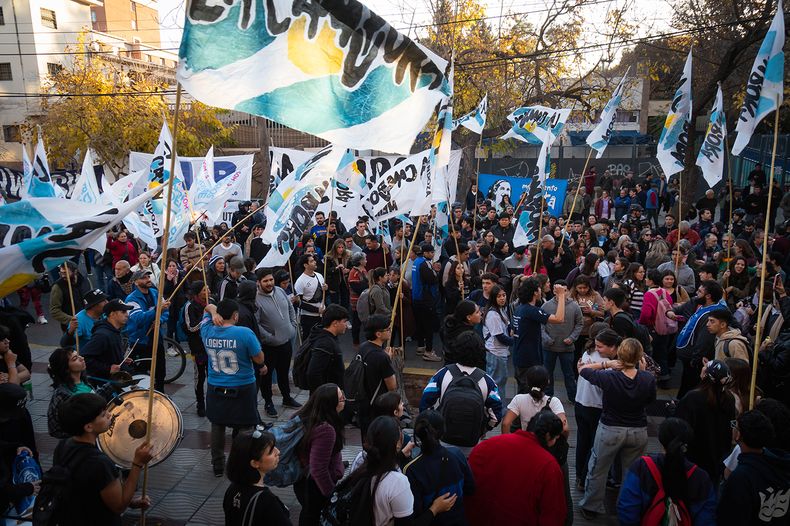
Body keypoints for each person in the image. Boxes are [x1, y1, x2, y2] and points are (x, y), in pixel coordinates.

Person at [578, 338, 657, 519]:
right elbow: (650, 401)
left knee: (598, 468)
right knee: (632, 471)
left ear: (620, 355)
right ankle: (628, 508)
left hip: (610, 429)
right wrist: (643, 373)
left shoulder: (609, 376)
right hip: (638, 431)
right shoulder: (647, 379)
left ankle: (591, 507)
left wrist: (605, 364)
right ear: (640, 357)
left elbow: (583, 370)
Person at [53, 393, 152, 525]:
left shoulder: (63, 445)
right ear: (88, 427)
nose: (109, 415)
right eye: (102, 415)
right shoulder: (99, 463)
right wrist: (137, 464)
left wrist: (131, 502)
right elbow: (118, 506)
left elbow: (87, 492)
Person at [465, 411, 567, 525]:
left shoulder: (485, 446)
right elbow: (553, 515)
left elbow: (467, 487)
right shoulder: (549, 467)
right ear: (548, 435)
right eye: (555, 439)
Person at [201, 299, 265, 477]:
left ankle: (218, 464)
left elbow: (207, 307)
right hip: (242, 385)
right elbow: (259, 359)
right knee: (246, 426)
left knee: (217, 425)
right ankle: (240, 462)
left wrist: (213, 313)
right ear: (236, 316)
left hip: (216, 385)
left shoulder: (206, 330)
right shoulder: (244, 333)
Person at [617, 418, 717, 525]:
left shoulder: (642, 467)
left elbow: (627, 509)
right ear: (687, 443)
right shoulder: (701, 477)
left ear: (660, 439)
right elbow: (706, 519)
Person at [420, 332, 502, 456]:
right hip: (472, 444)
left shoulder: (442, 374)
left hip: (444, 441)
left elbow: (425, 404)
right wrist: (483, 429)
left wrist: (434, 429)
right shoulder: (487, 381)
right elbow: (496, 416)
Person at [717, 410, 790, 525]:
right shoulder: (781, 463)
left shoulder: (741, 478)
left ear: (738, 435)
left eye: (734, 425)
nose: (733, 428)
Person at [403, 410, 476, 524]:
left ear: (417, 433)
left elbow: (413, 517)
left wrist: (434, 509)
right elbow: (470, 489)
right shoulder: (457, 454)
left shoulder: (412, 469)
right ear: (443, 432)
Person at [675, 359, 737, 484]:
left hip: (694, 457)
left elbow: (681, 426)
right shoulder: (729, 398)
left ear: (706, 376)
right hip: (717, 456)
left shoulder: (693, 397)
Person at [293, 384, 346, 526]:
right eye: (341, 399)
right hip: (314, 486)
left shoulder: (306, 417)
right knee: (313, 516)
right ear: (331, 404)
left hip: (303, 481)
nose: (344, 400)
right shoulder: (326, 430)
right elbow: (318, 468)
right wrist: (330, 493)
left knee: (308, 513)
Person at [667, 280, 728, 398]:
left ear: (708, 296)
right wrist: (670, 312)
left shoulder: (711, 315)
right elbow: (680, 309)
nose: (696, 293)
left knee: (690, 386)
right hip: (688, 355)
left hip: (695, 360)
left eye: (700, 291)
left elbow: (704, 341)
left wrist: (695, 359)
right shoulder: (702, 305)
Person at [253, 267, 299, 417]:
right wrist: (270, 337)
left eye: (271, 280)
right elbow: (257, 324)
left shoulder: (280, 291)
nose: (269, 283)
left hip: (286, 342)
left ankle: (287, 397)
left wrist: (293, 325)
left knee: (284, 372)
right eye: (265, 281)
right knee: (266, 376)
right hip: (269, 346)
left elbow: (291, 308)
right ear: (258, 282)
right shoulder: (256, 299)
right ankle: (268, 402)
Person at [223, 428, 291, 526]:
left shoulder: (232, 489)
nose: (278, 452)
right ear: (255, 463)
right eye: (271, 451)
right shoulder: (267, 501)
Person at [512, 279, 568, 393]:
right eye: (539, 288)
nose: (541, 290)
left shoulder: (519, 309)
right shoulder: (531, 310)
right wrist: (562, 295)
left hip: (520, 357)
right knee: (529, 395)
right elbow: (559, 318)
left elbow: (512, 332)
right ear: (535, 292)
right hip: (529, 360)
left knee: (523, 393)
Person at [46, 347, 113, 439]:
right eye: (75, 359)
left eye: (79, 355)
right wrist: (81, 435)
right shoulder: (62, 395)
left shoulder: (83, 382)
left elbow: (93, 402)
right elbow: (54, 429)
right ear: (66, 368)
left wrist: (113, 383)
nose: (82, 358)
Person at [125, 270, 170, 392]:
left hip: (157, 339)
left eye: (148, 276)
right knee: (141, 374)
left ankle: (161, 395)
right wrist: (156, 310)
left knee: (160, 372)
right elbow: (138, 318)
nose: (148, 279)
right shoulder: (131, 299)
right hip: (140, 341)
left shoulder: (156, 293)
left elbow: (166, 311)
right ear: (136, 282)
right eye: (143, 278)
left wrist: (159, 320)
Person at [541, 279, 582, 402]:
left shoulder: (574, 306)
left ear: (567, 291)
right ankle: (548, 397)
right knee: (547, 373)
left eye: (563, 291)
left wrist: (572, 338)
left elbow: (579, 323)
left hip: (567, 347)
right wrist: (546, 338)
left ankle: (573, 397)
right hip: (549, 347)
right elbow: (540, 325)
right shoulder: (546, 305)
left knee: (569, 374)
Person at [356, 315, 398, 436]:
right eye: (387, 329)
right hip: (378, 406)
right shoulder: (381, 356)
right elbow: (392, 386)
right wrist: (388, 360)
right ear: (378, 334)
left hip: (363, 402)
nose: (390, 331)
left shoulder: (363, 347)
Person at [500, 365, 569, 434]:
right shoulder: (554, 402)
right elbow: (565, 429)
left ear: (527, 382)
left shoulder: (518, 399)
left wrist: (507, 441)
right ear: (548, 382)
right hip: (545, 444)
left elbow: (505, 424)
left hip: (527, 442)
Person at [80, 299, 133, 381]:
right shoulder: (102, 335)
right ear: (112, 314)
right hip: (106, 382)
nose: (127, 315)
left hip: (117, 379)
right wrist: (108, 368)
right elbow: (84, 358)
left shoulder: (115, 331)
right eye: (123, 312)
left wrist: (121, 359)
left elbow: (107, 355)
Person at [305, 305, 349, 393]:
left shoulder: (326, 336)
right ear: (335, 323)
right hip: (328, 397)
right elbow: (313, 374)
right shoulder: (325, 344)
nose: (347, 325)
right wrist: (324, 395)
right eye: (344, 322)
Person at [183, 280, 210, 417]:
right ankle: (200, 403)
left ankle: (213, 401)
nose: (208, 292)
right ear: (198, 292)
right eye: (205, 290)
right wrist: (206, 319)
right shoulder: (190, 306)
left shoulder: (212, 302)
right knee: (200, 376)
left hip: (211, 345)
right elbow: (191, 327)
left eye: (208, 289)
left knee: (212, 375)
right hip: (198, 347)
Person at [412, 243, 442, 362]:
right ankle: (429, 351)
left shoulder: (416, 261)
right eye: (430, 252)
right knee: (428, 325)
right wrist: (436, 272)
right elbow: (431, 280)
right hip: (425, 299)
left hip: (417, 297)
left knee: (420, 324)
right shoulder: (424, 264)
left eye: (433, 252)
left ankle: (420, 346)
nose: (432, 254)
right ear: (424, 253)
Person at [482, 285, 512, 400]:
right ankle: (498, 409)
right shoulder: (493, 314)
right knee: (497, 384)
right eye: (499, 296)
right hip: (496, 353)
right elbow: (499, 336)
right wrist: (514, 341)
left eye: (504, 295)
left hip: (500, 352)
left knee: (500, 382)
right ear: (493, 298)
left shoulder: (501, 310)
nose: (502, 298)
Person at [50, 261, 92, 332]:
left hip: (88, 323)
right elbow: (54, 310)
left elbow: (91, 299)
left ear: (75, 271)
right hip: (71, 328)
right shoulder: (58, 287)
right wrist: (72, 320)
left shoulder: (85, 281)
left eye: (65, 273)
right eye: (61, 273)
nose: (63, 276)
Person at [441, 300, 484, 368]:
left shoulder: (449, 327)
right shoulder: (468, 337)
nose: (481, 313)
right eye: (477, 312)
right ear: (469, 317)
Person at [294, 254, 327, 341]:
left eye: (314, 260)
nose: (315, 262)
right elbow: (298, 303)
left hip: (322, 314)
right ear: (305, 265)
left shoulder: (319, 275)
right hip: (308, 317)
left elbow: (323, 294)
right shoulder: (300, 281)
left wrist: (326, 289)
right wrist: (316, 310)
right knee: (309, 341)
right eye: (311, 261)